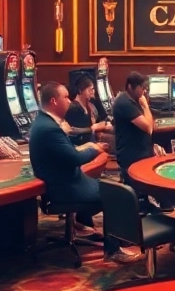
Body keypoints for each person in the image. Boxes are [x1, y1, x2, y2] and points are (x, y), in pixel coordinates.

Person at [29, 81, 142, 263]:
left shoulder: (45, 122)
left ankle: (118, 237)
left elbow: (67, 150)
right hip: (64, 188)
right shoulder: (48, 128)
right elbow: (76, 158)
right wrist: (95, 148)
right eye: (65, 97)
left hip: (68, 180)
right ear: (54, 101)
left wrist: (86, 146)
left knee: (114, 188)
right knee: (115, 195)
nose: (69, 100)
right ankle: (112, 250)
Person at [112, 71, 165, 213]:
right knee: (135, 192)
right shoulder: (125, 103)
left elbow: (150, 127)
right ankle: (137, 218)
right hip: (131, 154)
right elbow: (148, 127)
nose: (144, 91)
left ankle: (148, 208)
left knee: (143, 188)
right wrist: (146, 106)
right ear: (130, 86)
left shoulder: (132, 100)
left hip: (139, 151)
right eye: (142, 87)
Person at [65, 75, 112, 148]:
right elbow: (71, 131)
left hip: (90, 139)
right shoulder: (74, 108)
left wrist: (101, 125)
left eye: (93, 89)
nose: (92, 92)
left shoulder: (89, 104)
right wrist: (94, 128)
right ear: (80, 91)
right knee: (113, 140)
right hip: (81, 145)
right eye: (90, 90)